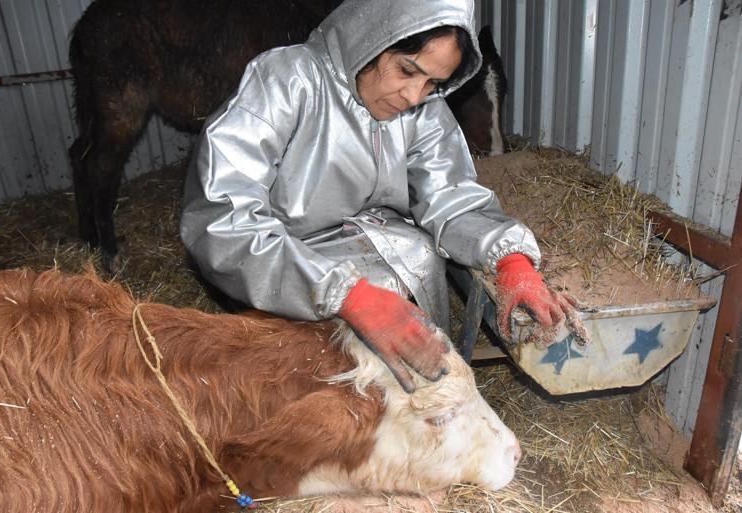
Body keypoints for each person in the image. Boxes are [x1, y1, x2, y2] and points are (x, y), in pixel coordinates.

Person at [181, 0, 579, 393]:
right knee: (326, 406)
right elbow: (222, 219)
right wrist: (346, 294)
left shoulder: (422, 109)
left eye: (432, 84)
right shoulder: (287, 81)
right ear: (370, 37)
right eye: (408, 70)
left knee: (419, 254)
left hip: (386, 257)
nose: (412, 96)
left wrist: (510, 260)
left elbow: (449, 194)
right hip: (290, 271)